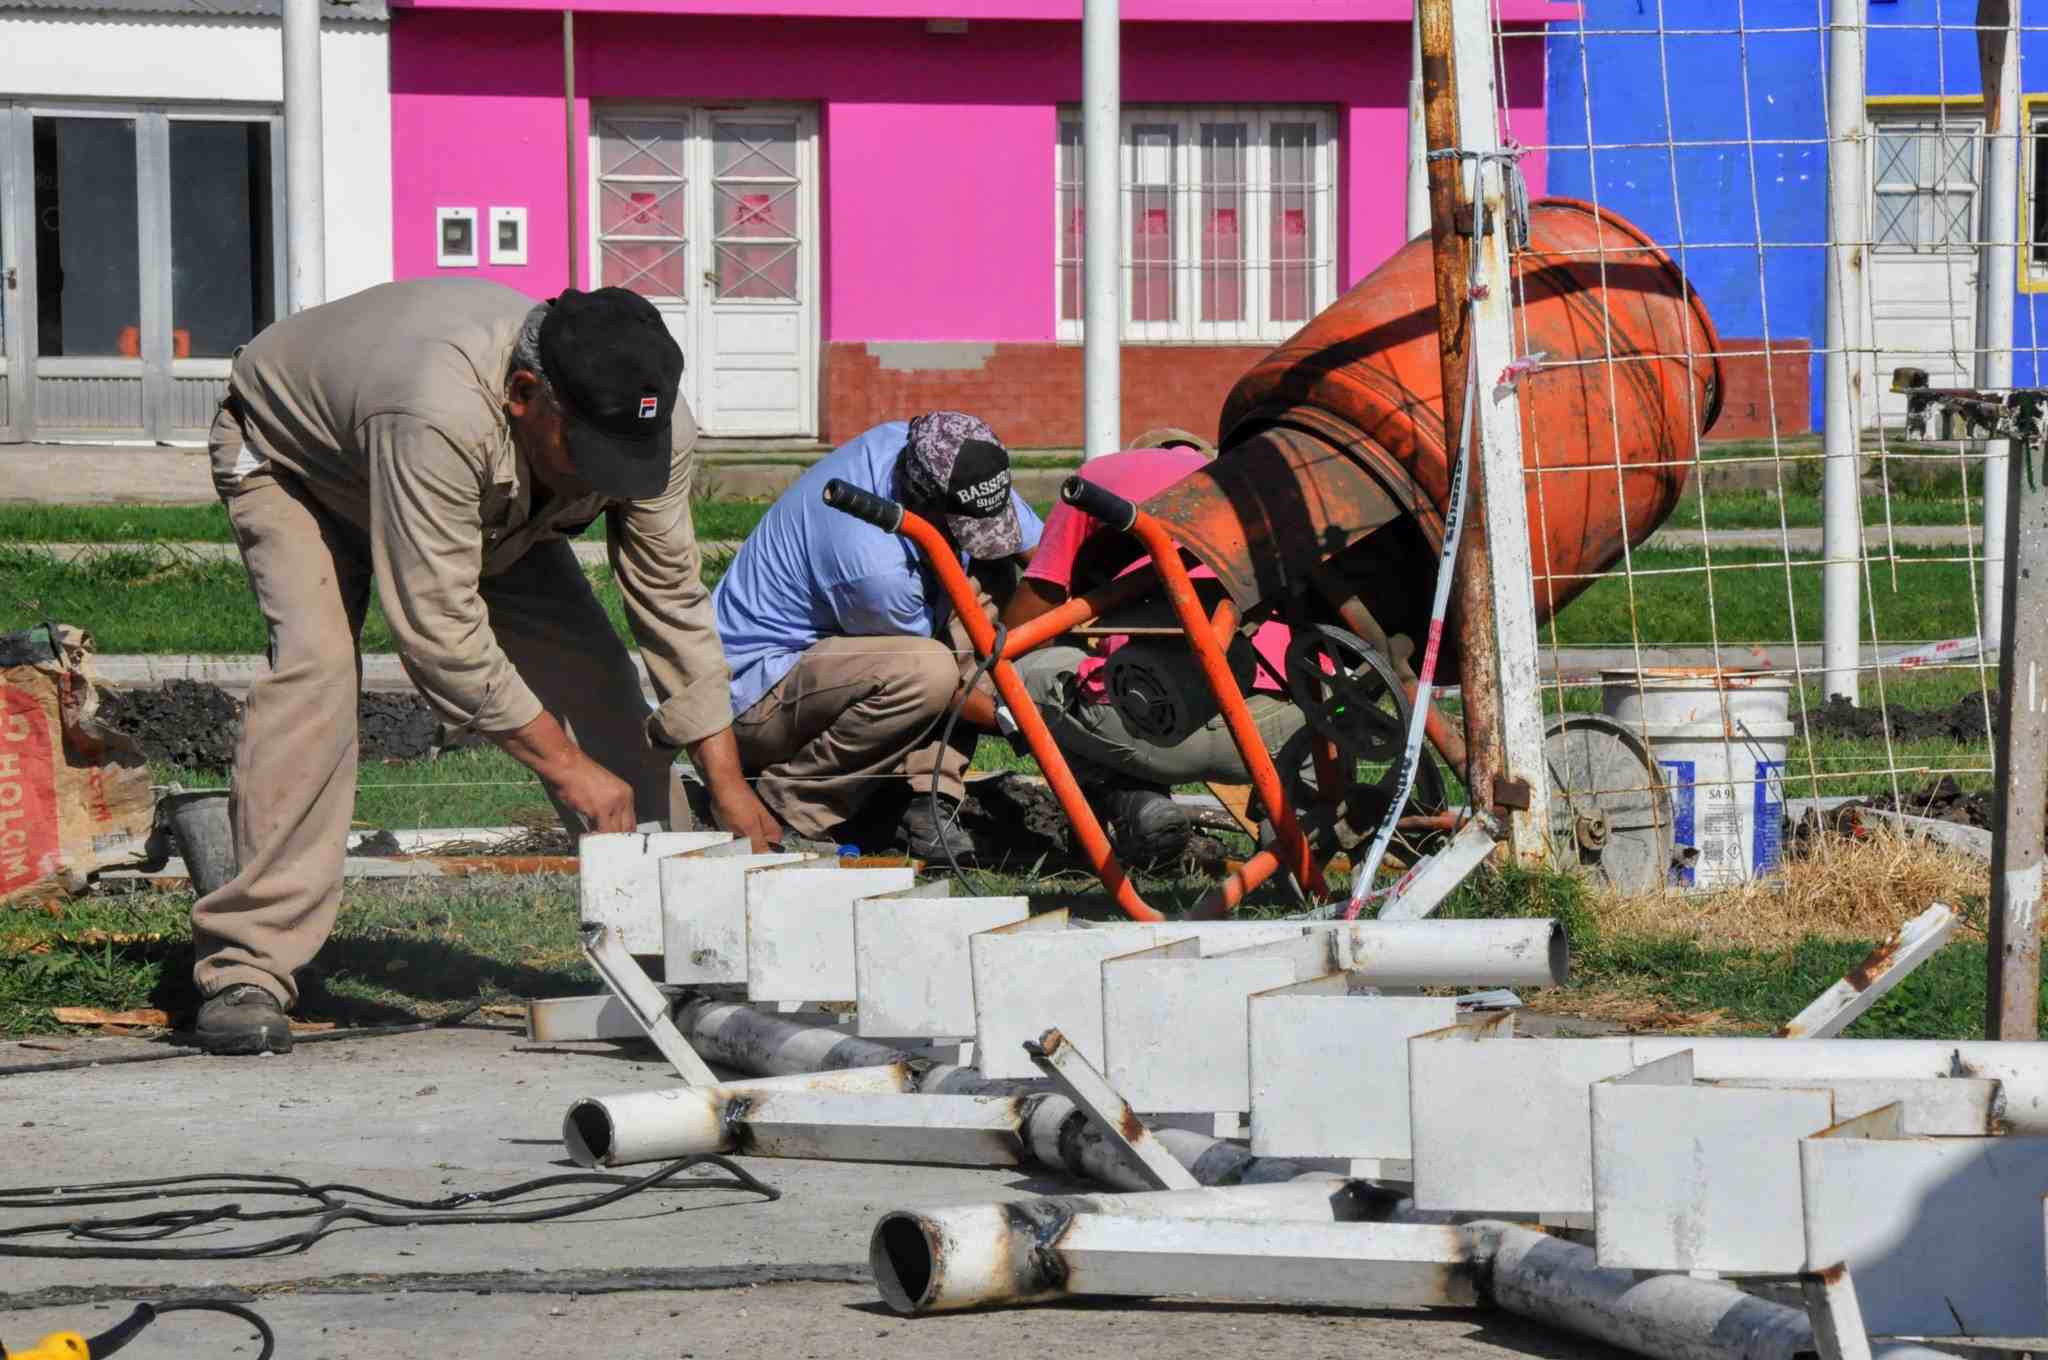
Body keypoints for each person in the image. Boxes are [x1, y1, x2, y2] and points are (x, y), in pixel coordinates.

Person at [195, 278, 782, 1056]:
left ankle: (673, 955)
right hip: (303, 467)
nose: (604, 481)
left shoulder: (645, 417)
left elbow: (670, 597)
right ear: (525, 393)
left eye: (622, 461)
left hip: (488, 494)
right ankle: (249, 967)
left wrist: (730, 786)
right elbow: (438, 630)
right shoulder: (435, 408)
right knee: (318, 677)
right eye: (590, 456)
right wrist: (572, 772)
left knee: (597, 678)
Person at [713, 413, 1042, 861]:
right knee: (928, 674)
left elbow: (1037, 556)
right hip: (755, 695)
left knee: (994, 577)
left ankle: (925, 800)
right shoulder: (872, 563)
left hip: (839, 654)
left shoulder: (941, 453)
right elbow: (946, 686)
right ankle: (790, 803)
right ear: (922, 497)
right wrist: (1023, 720)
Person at [1003, 446, 1308, 864]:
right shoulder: (1239, 483)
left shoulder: (1100, 478)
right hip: (1285, 733)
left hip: (1160, 727)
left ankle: (1132, 798)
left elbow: (1030, 617)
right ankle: (1293, 841)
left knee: (1022, 673)